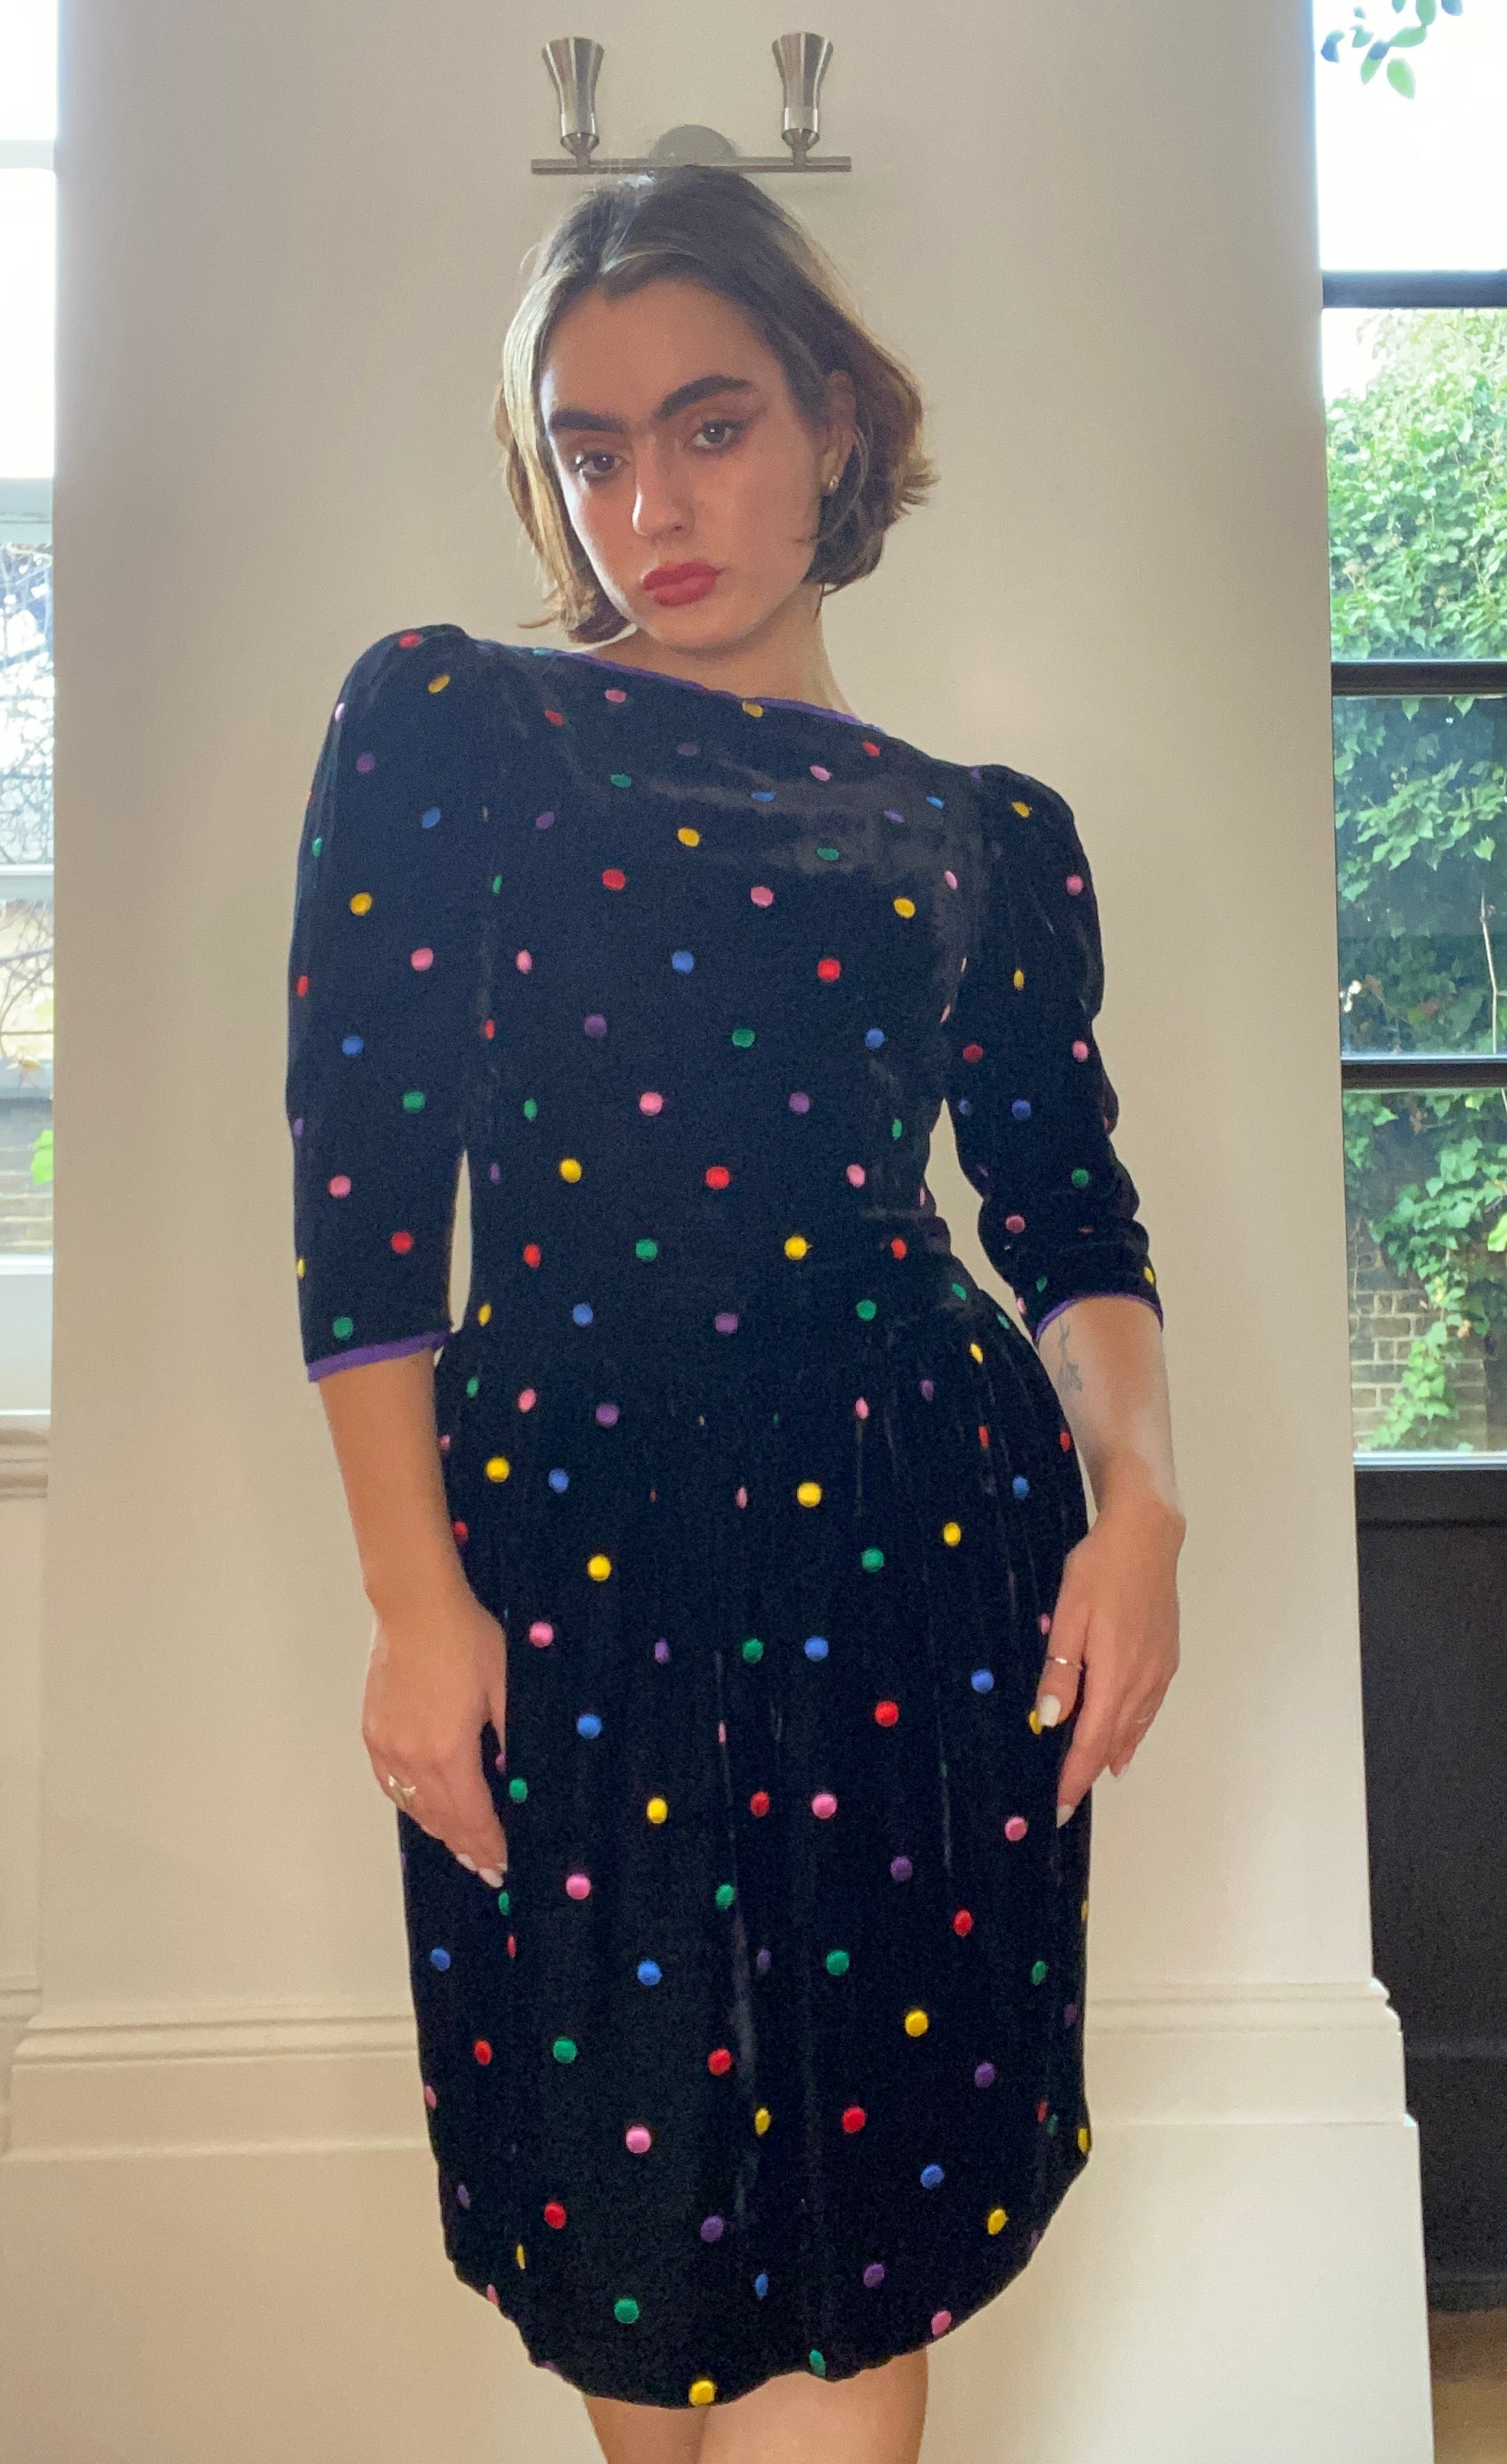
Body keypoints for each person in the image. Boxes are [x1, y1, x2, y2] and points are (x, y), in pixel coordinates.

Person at [284, 164, 1182, 2464]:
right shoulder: (457, 723)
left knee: (870, 2203)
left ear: (832, 427)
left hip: (916, 1529)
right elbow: (367, 1197)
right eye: (588, 449)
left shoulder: (986, 829)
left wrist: (1141, 1513)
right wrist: (412, 1602)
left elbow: (1065, 1210)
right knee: (633, 2179)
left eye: (710, 426)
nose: (648, 506)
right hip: (581, 1535)